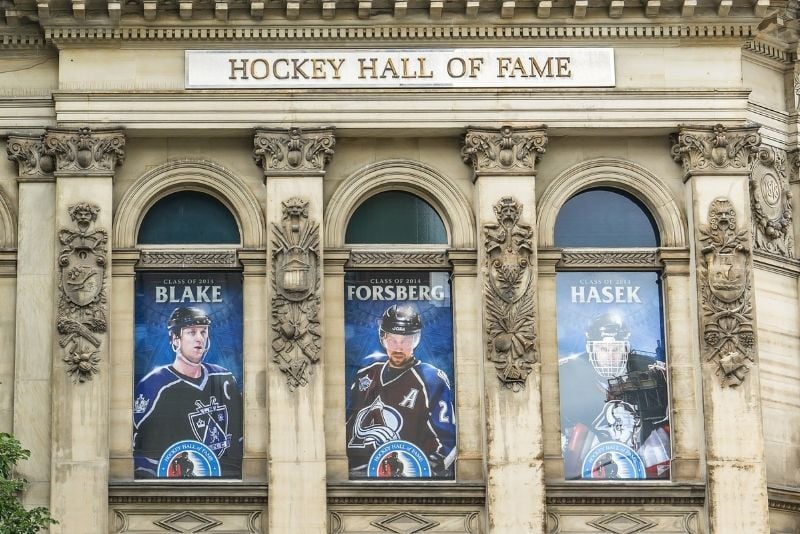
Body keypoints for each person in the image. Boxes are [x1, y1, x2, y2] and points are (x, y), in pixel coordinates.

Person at [346, 304, 456, 478]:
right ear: (383, 339)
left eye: (405, 340)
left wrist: (433, 466)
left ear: (415, 340)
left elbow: (450, 440)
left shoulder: (431, 380)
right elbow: (347, 428)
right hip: (361, 476)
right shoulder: (365, 375)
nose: (398, 348)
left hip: (408, 475)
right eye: (392, 340)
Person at [133, 306, 243, 478]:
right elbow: (135, 449)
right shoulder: (155, 385)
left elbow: (241, 436)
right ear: (176, 339)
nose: (200, 338)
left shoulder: (223, 378)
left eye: (203, 332)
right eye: (192, 332)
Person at [559, 312, 669, 479]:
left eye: (616, 349)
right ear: (591, 349)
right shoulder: (567, 377)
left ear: (625, 348)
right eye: (604, 349)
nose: (610, 356)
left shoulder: (653, 373)